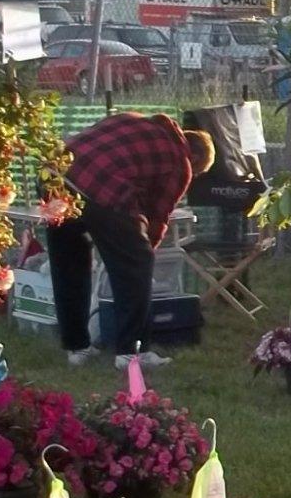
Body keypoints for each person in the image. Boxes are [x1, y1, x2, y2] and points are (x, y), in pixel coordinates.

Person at [47, 112, 214, 369]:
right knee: (137, 262)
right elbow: (157, 217)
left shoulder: (134, 120)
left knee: (69, 263)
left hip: (55, 175)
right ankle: (132, 352)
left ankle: (77, 348)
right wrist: (143, 254)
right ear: (196, 158)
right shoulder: (180, 162)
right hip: (101, 186)